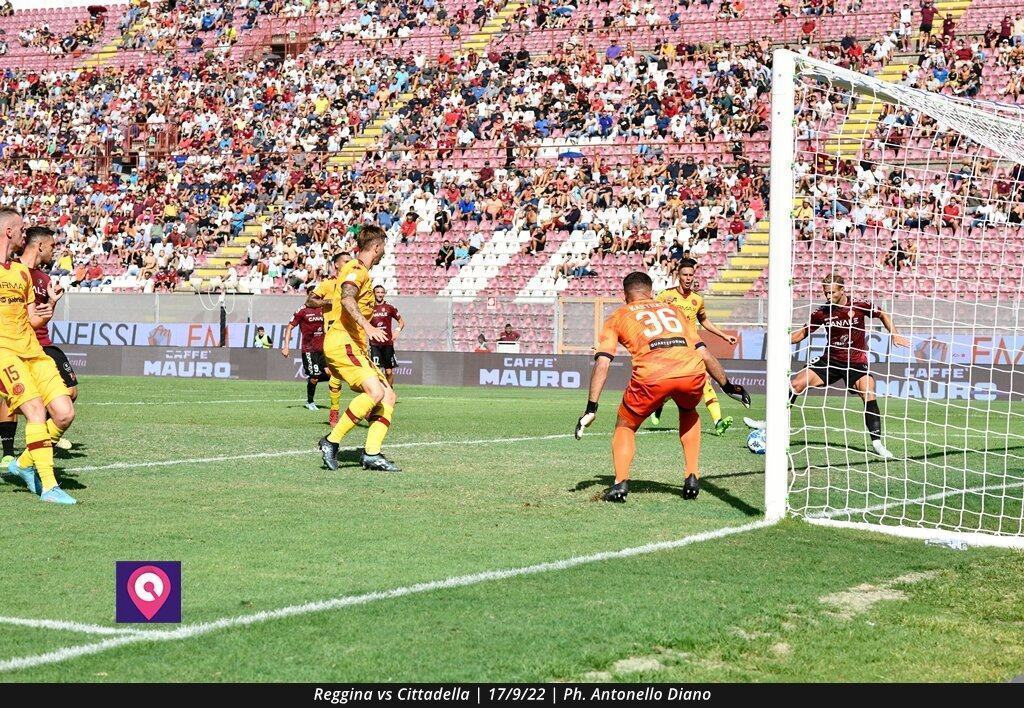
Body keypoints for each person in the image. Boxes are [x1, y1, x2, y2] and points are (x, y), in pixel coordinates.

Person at [575, 271, 751, 503]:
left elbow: (603, 362)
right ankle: (691, 476)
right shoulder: (674, 311)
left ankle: (620, 484)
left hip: (652, 377)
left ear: (624, 296)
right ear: (651, 292)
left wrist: (591, 408)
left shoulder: (619, 315)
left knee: (625, 424)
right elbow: (703, 351)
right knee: (688, 411)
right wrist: (727, 385)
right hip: (691, 372)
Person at [744, 274, 908, 460]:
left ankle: (877, 444)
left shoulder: (860, 305)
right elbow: (802, 334)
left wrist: (894, 334)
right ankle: (771, 423)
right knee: (795, 384)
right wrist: (779, 338)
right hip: (830, 361)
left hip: (855, 362)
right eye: (826, 292)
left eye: (832, 292)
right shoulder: (821, 313)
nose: (828, 296)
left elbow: (883, 314)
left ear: (842, 290)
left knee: (868, 391)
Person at [0, 210, 77, 504]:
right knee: (34, 411)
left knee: (65, 412)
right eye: (21, 229)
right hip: (4, 353)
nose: (24, 235)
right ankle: (48, 486)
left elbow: (32, 319)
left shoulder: (21, 273)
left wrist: (50, 309)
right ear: (9, 231)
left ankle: (21, 464)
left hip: (32, 351)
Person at [317, 226, 400, 472]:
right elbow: (346, 298)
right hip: (342, 342)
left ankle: (372, 454)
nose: (384, 251)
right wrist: (368, 325)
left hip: (354, 345)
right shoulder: (355, 269)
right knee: (375, 391)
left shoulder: (362, 272)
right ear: (376, 247)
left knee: (389, 395)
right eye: (383, 247)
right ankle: (331, 442)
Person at [648, 258, 738, 435]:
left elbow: (704, 321)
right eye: (685, 275)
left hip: (693, 348)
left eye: (691, 275)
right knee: (671, 385)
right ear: (678, 276)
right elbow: (652, 314)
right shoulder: (666, 296)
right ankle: (659, 405)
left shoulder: (697, 300)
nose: (688, 278)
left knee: (705, 381)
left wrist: (724, 335)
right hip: (672, 348)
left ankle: (718, 421)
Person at [307, 252, 349, 427]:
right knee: (335, 373)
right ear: (337, 265)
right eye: (346, 261)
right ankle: (334, 410)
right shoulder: (327, 284)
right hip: (333, 333)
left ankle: (369, 406)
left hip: (353, 332)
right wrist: (327, 302)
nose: (349, 264)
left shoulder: (354, 284)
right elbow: (310, 301)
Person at [282, 292, 329, 411]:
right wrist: (286, 346)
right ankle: (310, 401)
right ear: (309, 296)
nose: (317, 298)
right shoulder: (302, 310)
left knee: (330, 374)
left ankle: (312, 378)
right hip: (309, 349)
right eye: (314, 296)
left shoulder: (323, 308)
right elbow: (289, 327)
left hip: (323, 349)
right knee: (315, 376)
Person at [369, 286, 405, 388]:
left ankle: (389, 392)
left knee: (388, 372)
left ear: (384, 294)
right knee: (376, 372)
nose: (380, 294)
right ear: (374, 293)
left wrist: (397, 331)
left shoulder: (390, 307)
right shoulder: (369, 308)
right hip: (374, 344)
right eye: (378, 292)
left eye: (382, 292)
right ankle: (378, 394)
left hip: (387, 344)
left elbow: (401, 322)